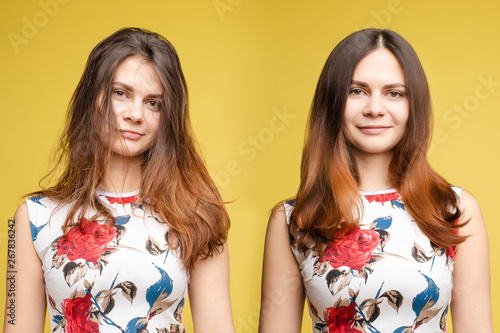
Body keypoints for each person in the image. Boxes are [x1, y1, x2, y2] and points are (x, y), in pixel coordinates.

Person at [259, 29, 492, 333]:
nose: (374, 108)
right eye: (357, 91)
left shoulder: (455, 211)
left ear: (413, 106)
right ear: (332, 103)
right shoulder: (294, 219)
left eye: (394, 93)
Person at [4, 27, 235, 333]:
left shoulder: (197, 215)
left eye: (153, 102)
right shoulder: (32, 218)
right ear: (92, 99)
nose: (135, 114)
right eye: (121, 93)